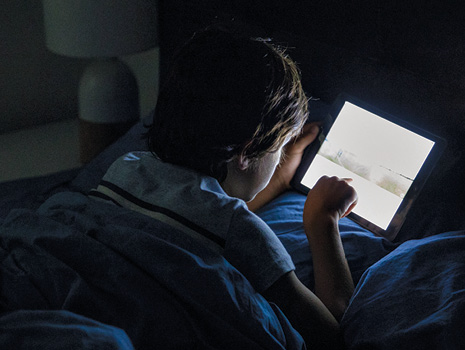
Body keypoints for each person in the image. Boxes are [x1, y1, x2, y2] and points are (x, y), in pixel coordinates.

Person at [93, 27, 357, 349]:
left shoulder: (126, 166)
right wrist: (323, 220)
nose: (279, 159)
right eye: (282, 147)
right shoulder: (241, 231)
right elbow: (328, 333)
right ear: (246, 152)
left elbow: (193, 212)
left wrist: (279, 180)